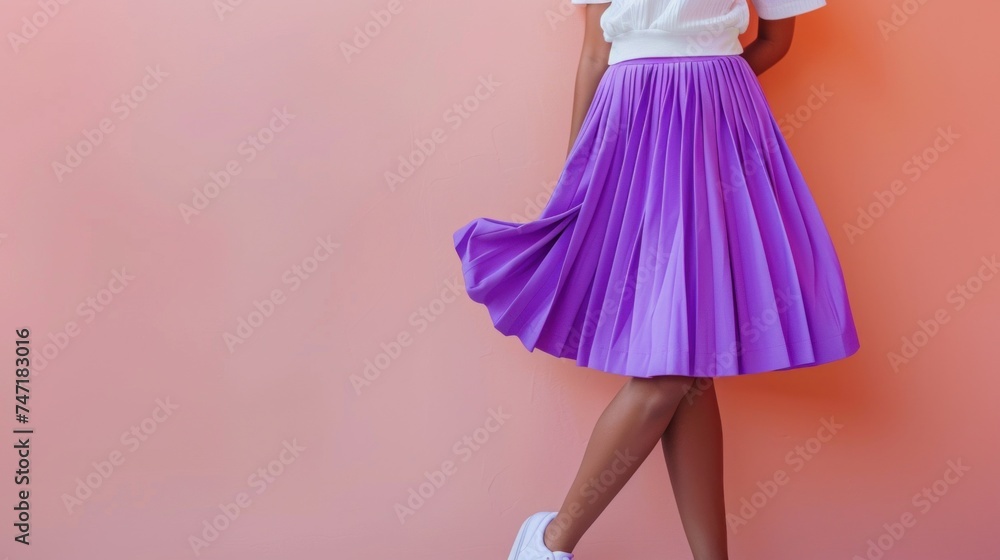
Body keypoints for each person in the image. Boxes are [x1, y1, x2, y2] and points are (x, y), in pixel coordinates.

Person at [451, 0, 861, 558]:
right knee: (677, 366)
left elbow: (775, 39)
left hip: (719, 124)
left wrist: (703, 83)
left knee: (690, 364)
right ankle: (549, 541)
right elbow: (596, 49)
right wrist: (579, 172)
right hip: (631, 125)